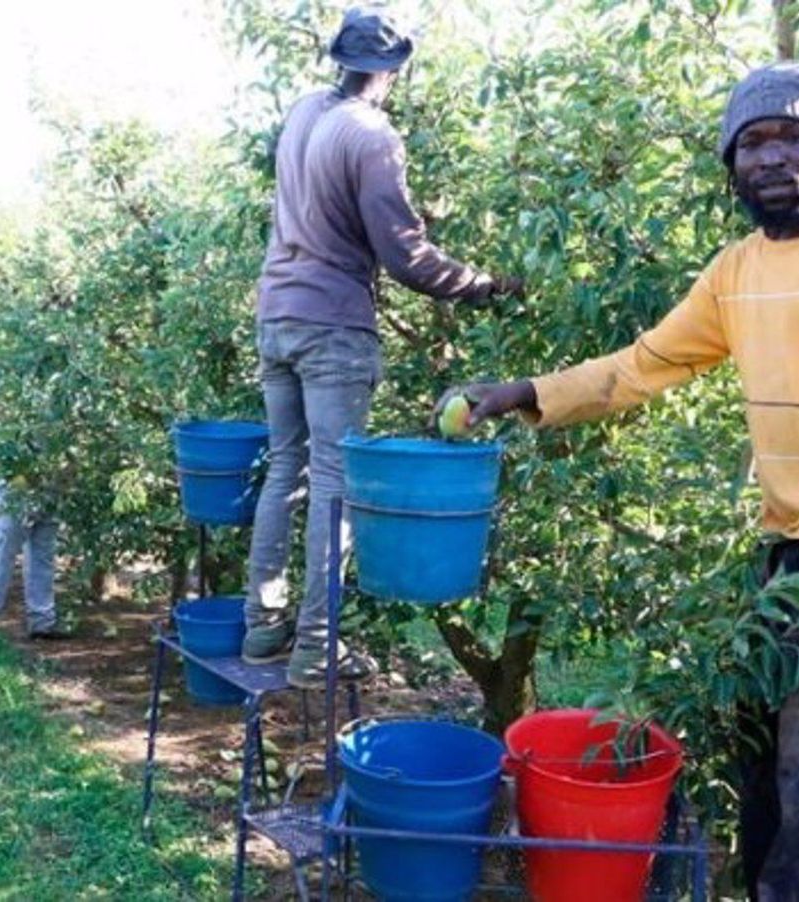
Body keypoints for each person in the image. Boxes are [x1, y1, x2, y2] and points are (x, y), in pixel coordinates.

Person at [450, 63, 799, 897]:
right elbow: (643, 365)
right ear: (732, 164)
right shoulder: (738, 268)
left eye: (791, 138)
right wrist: (526, 392)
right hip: (788, 556)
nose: (771, 156)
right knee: (768, 774)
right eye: (752, 142)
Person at [244, 5, 521, 690]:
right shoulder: (371, 135)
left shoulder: (306, 112)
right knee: (335, 481)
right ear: (395, 70)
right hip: (331, 323)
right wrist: (480, 285)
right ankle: (316, 649)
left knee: (286, 469)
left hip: (277, 312)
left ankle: (262, 627)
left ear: (341, 60)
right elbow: (404, 255)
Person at [0, 479, 66, 639]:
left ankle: (42, 624)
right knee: (1, 555)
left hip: (51, 489)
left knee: (42, 558)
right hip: (16, 489)